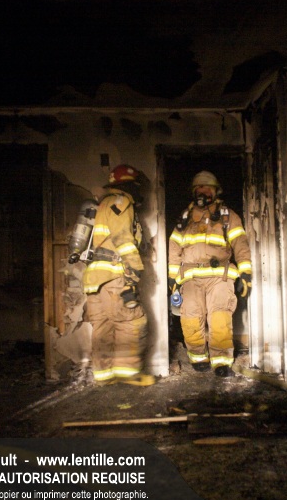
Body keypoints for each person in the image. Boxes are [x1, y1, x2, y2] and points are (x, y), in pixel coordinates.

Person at [167, 170, 252, 377]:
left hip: (219, 276)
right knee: (190, 317)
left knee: (220, 317)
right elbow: (174, 247)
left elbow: (240, 245)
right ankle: (198, 357)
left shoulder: (227, 217)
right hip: (191, 278)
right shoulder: (185, 218)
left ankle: (221, 361)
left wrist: (245, 273)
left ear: (215, 191)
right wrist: (172, 277)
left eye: (207, 187)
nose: (202, 191)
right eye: (198, 187)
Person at [82, 164, 154, 386]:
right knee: (132, 321)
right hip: (114, 276)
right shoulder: (121, 202)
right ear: (130, 185)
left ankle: (104, 376)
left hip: (94, 279)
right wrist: (134, 273)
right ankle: (128, 373)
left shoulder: (101, 204)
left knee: (102, 327)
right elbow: (123, 240)